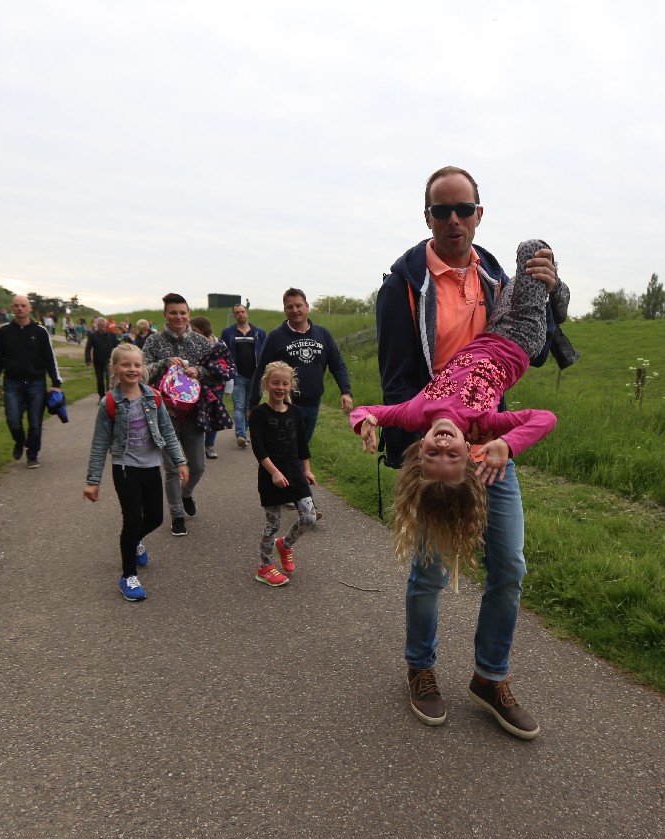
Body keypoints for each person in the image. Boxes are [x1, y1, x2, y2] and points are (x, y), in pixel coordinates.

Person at [376, 166, 565, 741]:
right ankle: (421, 666)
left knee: (509, 566)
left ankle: (490, 676)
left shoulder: (495, 275)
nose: (454, 220)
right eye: (442, 211)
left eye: (464, 209)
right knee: (431, 570)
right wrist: (421, 449)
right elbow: (396, 378)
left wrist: (554, 289)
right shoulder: (403, 286)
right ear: (427, 217)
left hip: (492, 444)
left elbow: (535, 340)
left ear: (479, 214)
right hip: (438, 444)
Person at [353, 238, 565, 578]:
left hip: (491, 330)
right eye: (450, 455)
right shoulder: (482, 424)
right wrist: (507, 444)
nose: (441, 445)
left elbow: (370, 410)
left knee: (523, 279)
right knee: (533, 250)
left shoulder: (416, 414)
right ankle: (556, 297)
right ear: (468, 452)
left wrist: (364, 420)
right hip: (522, 336)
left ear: (420, 447)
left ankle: (555, 294)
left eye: (432, 454)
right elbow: (545, 419)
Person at [83, 343, 190, 601]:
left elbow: (167, 431)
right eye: (126, 364)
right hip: (125, 468)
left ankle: (134, 541)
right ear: (115, 368)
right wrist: (93, 481)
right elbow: (99, 444)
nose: (132, 369)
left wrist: (180, 461)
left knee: (155, 518)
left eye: (137, 364)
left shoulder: (153, 397)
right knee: (132, 519)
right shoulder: (109, 402)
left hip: (151, 465)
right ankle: (128, 575)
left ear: (143, 368)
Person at [141, 293, 213, 537]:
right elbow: (142, 373)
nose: (178, 317)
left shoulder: (201, 342)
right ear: (165, 314)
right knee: (172, 469)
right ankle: (177, 515)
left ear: (188, 314)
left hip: (194, 413)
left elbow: (216, 371)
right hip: (164, 414)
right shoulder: (153, 342)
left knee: (198, 466)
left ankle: (186, 493)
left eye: (182, 312)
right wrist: (164, 363)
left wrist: (198, 371)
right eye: (173, 312)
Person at [251, 288, 354, 442]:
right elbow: (261, 371)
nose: (295, 310)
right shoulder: (275, 337)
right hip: (285, 405)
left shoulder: (322, 334)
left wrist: (345, 392)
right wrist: (252, 404)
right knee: (286, 449)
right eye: (290, 307)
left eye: (298, 305)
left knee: (302, 448)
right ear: (284, 310)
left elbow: (337, 365)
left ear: (307, 306)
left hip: (313, 405)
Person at [249, 361, 317, 587]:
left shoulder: (295, 412)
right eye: (275, 382)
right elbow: (259, 449)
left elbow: (302, 444)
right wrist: (274, 473)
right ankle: (264, 566)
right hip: (271, 477)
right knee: (273, 524)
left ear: (291, 385)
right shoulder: (258, 413)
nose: (280, 387)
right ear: (266, 384)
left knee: (309, 517)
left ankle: (285, 545)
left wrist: (306, 469)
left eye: (285, 383)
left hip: (295, 474)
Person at [0, 294, 63, 468]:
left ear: (30, 308)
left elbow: (50, 358)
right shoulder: (3, 331)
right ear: (11, 308)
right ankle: (19, 440)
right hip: (12, 382)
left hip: (36, 382)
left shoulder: (40, 331)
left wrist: (56, 383)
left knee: (35, 423)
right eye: (16, 306)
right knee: (13, 420)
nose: (20, 308)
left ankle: (32, 455)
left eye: (23, 305)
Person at [220, 303, 266, 449]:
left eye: (242, 312)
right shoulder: (228, 333)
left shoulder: (259, 333)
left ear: (247, 313)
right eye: (237, 313)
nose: (240, 315)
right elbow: (222, 352)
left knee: (250, 406)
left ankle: (244, 431)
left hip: (255, 376)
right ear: (234, 315)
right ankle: (240, 435)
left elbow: (265, 354)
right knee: (239, 406)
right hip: (237, 375)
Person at [190, 316, 235, 459]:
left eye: (194, 330)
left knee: (214, 415)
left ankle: (209, 445)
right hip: (197, 386)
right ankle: (195, 447)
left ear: (203, 330)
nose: (192, 332)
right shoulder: (192, 344)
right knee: (196, 416)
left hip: (217, 387)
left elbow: (228, 364)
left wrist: (229, 386)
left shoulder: (219, 345)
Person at [85, 317, 117, 398]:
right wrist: (88, 359)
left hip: (109, 360)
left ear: (105, 325)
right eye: (100, 325)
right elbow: (88, 348)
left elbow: (116, 347)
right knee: (100, 380)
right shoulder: (93, 336)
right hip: (98, 361)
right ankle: (101, 396)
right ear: (97, 326)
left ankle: (109, 396)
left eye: (103, 324)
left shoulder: (111, 335)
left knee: (109, 378)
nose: (102, 326)